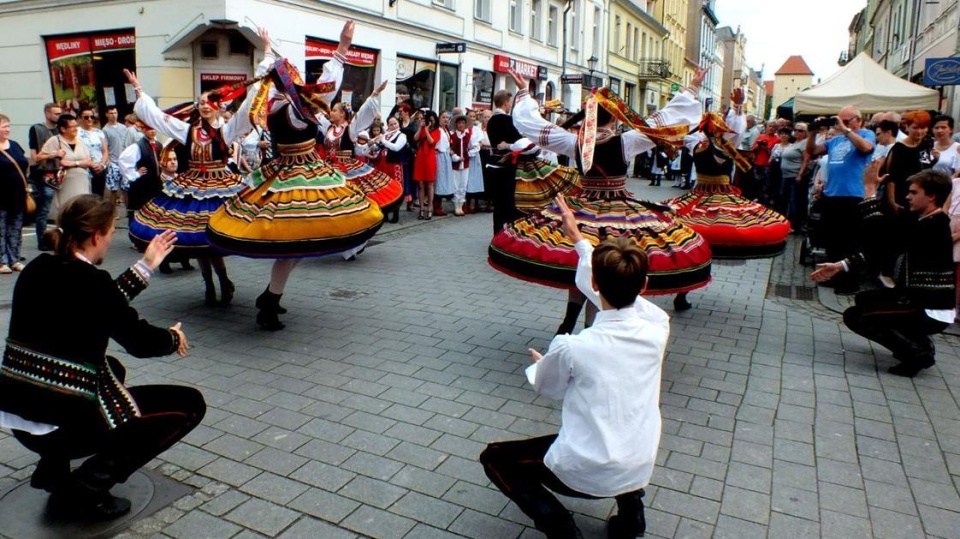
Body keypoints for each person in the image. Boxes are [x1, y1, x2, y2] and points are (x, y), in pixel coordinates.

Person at [0, 195, 203, 520]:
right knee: (189, 404)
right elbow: (138, 340)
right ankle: (86, 490)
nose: (112, 237)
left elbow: (96, 303)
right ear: (97, 236)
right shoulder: (92, 284)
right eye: (110, 231)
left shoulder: (38, 267)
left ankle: (52, 469)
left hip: (18, 415)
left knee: (112, 369)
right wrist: (173, 338)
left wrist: (146, 266)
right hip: (59, 423)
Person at [481, 195, 667, 539]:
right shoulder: (657, 325)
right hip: (640, 459)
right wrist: (580, 241)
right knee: (622, 426)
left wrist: (544, 365)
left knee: (494, 457)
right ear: (644, 287)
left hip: (586, 468)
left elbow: (547, 387)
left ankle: (562, 530)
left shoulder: (573, 346)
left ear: (595, 284)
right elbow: (610, 292)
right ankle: (631, 519)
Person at [490, 68, 710, 333]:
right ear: (614, 118)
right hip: (619, 214)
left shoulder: (574, 141)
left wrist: (524, 91)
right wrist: (692, 87)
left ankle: (569, 321)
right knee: (603, 268)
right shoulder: (627, 140)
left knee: (582, 261)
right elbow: (663, 120)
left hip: (582, 209)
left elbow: (533, 126)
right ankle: (589, 328)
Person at [206, 21, 384, 330]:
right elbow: (327, 86)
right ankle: (269, 304)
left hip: (297, 173)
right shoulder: (283, 105)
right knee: (295, 243)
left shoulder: (286, 102)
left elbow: (326, 82)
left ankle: (270, 297)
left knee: (300, 245)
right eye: (291, 75)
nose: (297, 78)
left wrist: (341, 47)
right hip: (294, 177)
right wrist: (340, 48)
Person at [811, 169, 955, 377]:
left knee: (857, 316)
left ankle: (917, 354)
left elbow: (878, 236)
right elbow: (880, 250)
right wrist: (840, 266)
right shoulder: (921, 220)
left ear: (931, 196)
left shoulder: (935, 226)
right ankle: (917, 343)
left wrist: (870, 189)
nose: (907, 196)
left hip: (929, 308)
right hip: (913, 299)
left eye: (914, 192)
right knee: (864, 300)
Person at [805, 106, 876, 294]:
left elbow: (867, 148)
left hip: (853, 197)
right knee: (832, 240)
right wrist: (812, 133)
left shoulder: (866, 134)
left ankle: (849, 282)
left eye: (845, 120)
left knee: (850, 242)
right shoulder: (835, 140)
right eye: (839, 121)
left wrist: (846, 130)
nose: (839, 124)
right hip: (832, 196)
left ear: (857, 120)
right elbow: (812, 151)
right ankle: (833, 276)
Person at [36, 113, 93, 217]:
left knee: (82, 209)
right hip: (65, 182)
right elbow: (38, 157)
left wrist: (73, 163)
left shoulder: (80, 142)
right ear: (63, 129)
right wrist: (54, 154)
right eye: (72, 127)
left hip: (82, 180)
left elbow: (88, 161)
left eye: (76, 126)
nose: (76, 129)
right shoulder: (55, 140)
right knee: (68, 209)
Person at [486, 89, 523, 233]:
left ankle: (497, 233)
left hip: (495, 163)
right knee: (508, 202)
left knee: (498, 204)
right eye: (510, 103)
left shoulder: (491, 121)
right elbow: (519, 141)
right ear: (506, 103)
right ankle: (507, 236)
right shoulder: (506, 120)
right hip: (507, 165)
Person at [27, 102, 62, 247]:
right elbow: (34, 155)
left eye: (60, 113)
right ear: (47, 113)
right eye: (56, 113)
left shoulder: (61, 130)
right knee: (45, 206)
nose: (58, 116)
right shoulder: (37, 129)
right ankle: (42, 240)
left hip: (60, 171)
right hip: (44, 172)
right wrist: (52, 155)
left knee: (62, 205)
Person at [0, 114, 29, 273]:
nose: (8, 130)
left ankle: (14, 259)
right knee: (1, 230)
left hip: (17, 195)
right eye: (4, 127)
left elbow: (24, 163)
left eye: (8, 126)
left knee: (16, 229)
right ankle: (1, 261)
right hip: (1, 196)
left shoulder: (15, 145)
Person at [77, 108, 110, 198]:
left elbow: (105, 150)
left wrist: (102, 164)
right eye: (86, 117)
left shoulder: (99, 132)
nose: (90, 119)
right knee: (88, 195)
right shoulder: (76, 133)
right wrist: (91, 165)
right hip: (86, 167)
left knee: (99, 195)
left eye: (92, 117)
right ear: (80, 118)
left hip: (100, 167)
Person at [449, 114, 478, 216]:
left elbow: (476, 147)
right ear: (456, 124)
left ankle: (461, 205)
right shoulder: (452, 135)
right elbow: (449, 149)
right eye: (459, 123)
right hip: (455, 164)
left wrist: (468, 154)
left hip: (465, 164)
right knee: (455, 184)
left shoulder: (468, 135)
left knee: (463, 184)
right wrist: (456, 157)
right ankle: (456, 206)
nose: (461, 125)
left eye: (463, 123)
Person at [412, 110, 438, 219]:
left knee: (430, 184)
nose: (429, 122)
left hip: (430, 158)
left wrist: (427, 130)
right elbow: (415, 138)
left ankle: (430, 207)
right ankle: (422, 208)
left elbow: (432, 142)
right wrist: (421, 127)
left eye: (431, 120)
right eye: (428, 120)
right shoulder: (422, 128)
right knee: (421, 184)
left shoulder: (437, 131)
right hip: (420, 157)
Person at [433, 111, 453, 217]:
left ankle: (439, 205)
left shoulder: (446, 130)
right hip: (439, 156)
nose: (445, 119)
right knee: (439, 180)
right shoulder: (437, 130)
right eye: (443, 117)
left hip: (445, 156)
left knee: (443, 180)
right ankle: (436, 206)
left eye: (447, 117)